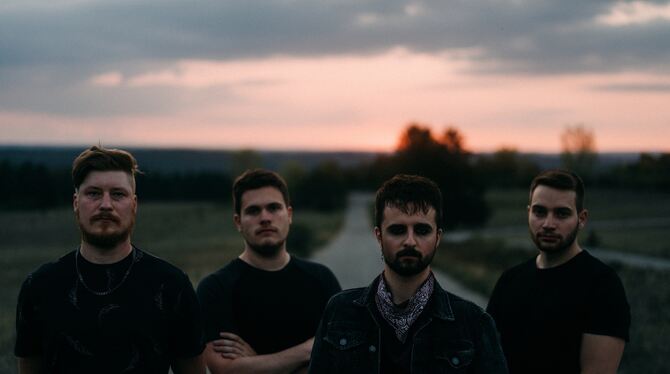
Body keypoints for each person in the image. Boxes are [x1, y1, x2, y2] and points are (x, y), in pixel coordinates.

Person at [14, 146, 205, 374]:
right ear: (76, 203)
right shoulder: (40, 286)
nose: (106, 205)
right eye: (93, 193)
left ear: (134, 205)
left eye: (118, 194)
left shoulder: (172, 285)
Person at [309, 174, 508, 374]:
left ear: (437, 237)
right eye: (398, 230)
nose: (410, 241)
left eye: (422, 230)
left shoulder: (474, 324)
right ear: (379, 236)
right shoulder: (339, 312)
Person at [197, 169, 341, 373]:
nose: (265, 218)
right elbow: (225, 370)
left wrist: (257, 363)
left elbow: (343, 360)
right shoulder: (215, 289)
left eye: (273, 208)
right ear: (238, 222)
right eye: (253, 211)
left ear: (289, 215)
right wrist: (311, 349)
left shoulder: (322, 279)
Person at [486, 169, 631, 374]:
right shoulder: (510, 280)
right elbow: (487, 359)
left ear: (581, 218)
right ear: (528, 213)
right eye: (540, 212)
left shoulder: (602, 285)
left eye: (561, 213)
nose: (548, 224)